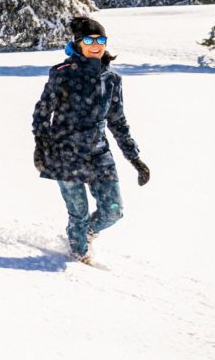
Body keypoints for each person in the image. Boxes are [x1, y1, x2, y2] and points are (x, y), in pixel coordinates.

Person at [32, 16, 151, 264]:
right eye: (89, 40)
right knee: (78, 214)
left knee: (113, 211)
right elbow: (43, 111)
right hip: (65, 153)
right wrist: (40, 146)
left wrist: (135, 158)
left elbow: (117, 121)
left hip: (98, 153)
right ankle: (80, 265)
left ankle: (85, 235)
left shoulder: (112, 80)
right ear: (78, 43)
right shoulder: (62, 74)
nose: (96, 45)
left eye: (101, 40)